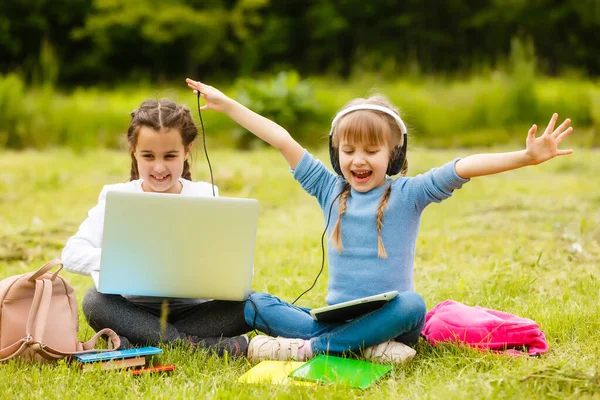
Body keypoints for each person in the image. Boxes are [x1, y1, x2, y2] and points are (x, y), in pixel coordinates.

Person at [186, 78, 574, 364]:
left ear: (394, 153)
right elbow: (283, 139)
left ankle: (310, 350)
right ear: (336, 154)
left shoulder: (409, 193)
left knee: (414, 304)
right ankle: (363, 348)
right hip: (334, 320)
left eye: (372, 150)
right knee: (255, 301)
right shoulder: (329, 189)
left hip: (391, 320)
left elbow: (463, 166)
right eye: (348, 150)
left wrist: (525, 157)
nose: (358, 159)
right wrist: (229, 104)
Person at [62, 99, 250, 356]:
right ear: (133, 151)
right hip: (134, 311)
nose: (159, 167)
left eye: (170, 156)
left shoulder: (206, 195)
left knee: (250, 303)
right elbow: (71, 253)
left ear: (187, 151)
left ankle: (142, 341)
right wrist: (124, 259)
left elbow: (239, 268)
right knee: (95, 301)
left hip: (194, 311)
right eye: (148, 156)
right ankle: (195, 346)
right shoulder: (116, 197)